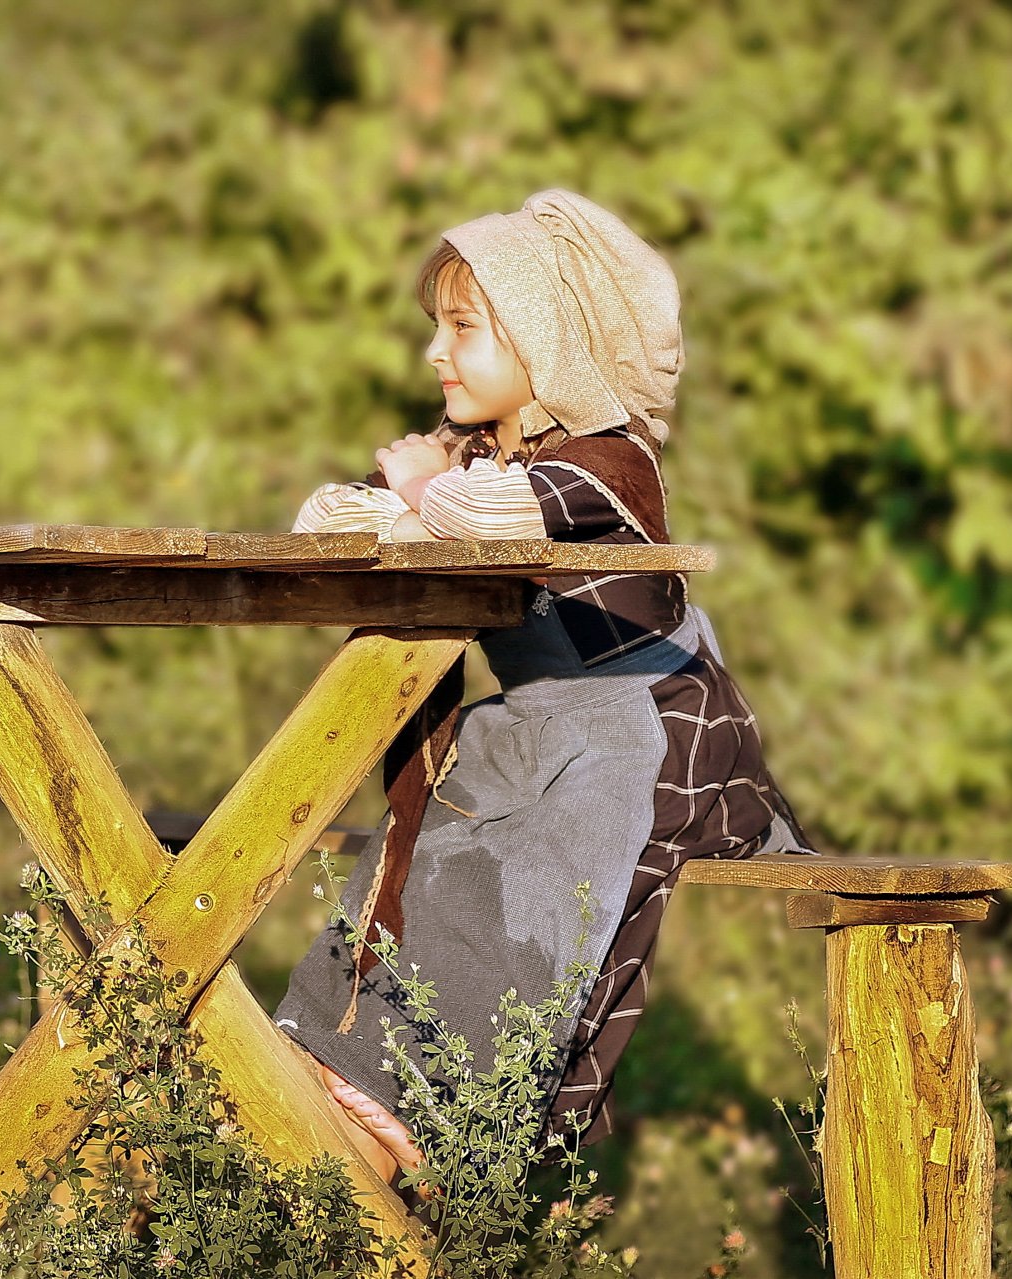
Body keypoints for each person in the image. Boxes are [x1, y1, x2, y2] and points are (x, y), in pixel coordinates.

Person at [272, 190, 811, 1179]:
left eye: (464, 328)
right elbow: (329, 520)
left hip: (648, 728)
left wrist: (421, 494)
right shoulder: (483, 457)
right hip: (529, 730)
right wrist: (406, 496)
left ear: (546, 345)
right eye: (438, 325)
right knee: (426, 849)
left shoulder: (608, 464)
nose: (437, 351)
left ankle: (440, 1123)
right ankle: (351, 1068)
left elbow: (482, 515)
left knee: (535, 897)